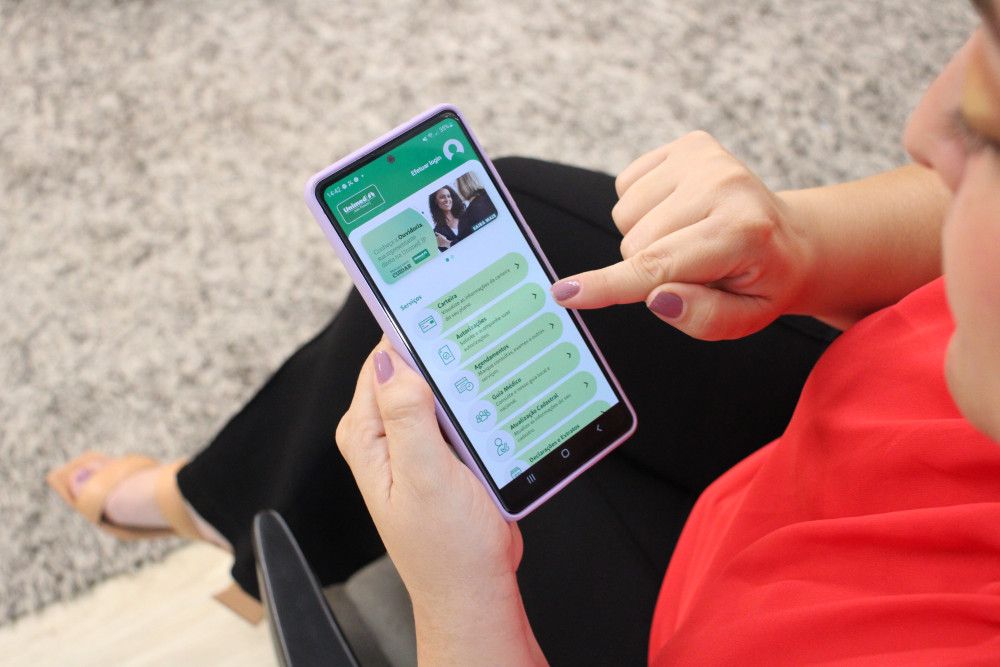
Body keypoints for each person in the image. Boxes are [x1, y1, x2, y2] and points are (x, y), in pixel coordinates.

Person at [47, 1, 1000, 663]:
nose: (924, 130)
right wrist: (802, 240)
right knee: (509, 241)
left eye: (991, 131)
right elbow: (930, 193)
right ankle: (222, 503)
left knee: (447, 388)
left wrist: (460, 602)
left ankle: (216, 506)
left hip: (695, 611)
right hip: (841, 441)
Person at [428, 185, 468, 251]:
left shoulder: (467, 215)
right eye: (442, 197)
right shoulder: (437, 233)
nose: (447, 200)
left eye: (449, 196)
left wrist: (447, 243)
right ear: (436, 201)